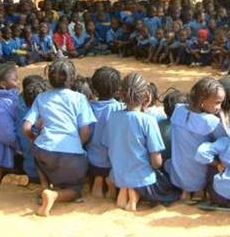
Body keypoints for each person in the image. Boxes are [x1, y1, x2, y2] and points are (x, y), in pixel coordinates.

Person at [23, 59, 96, 216]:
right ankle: (54, 195)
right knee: (76, 189)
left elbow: (26, 127)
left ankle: (44, 186)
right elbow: (85, 130)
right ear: (72, 78)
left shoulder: (41, 97)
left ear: (49, 79)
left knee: (37, 153)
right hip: (71, 153)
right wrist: (77, 144)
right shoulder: (79, 98)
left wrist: (34, 139)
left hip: (44, 149)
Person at [103, 73, 181, 211]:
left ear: (120, 94)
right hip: (144, 181)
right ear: (147, 96)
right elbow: (156, 162)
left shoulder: (113, 117)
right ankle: (135, 193)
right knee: (172, 190)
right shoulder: (148, 120)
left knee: (131, 171)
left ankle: (125, 190)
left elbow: (108, 146)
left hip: (118, 176)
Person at [165, 77, 225, 202]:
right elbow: (225, 140)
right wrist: (223, 119)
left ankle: (185, 191)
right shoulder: (211, 121)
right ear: (202, 100)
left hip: (177, 177)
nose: (219, 107)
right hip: (199, 178)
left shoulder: (178, 110)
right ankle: (200, 190)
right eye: (217, 102)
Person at [87, 66, 124, 199]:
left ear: (94, 87)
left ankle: (97, 180)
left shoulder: (88, 107)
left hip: (92, 162)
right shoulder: (121, 108)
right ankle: (110, 182)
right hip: (113, 164)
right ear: (117, 89)